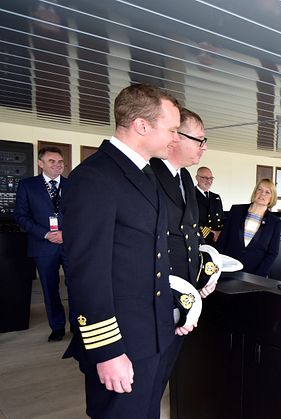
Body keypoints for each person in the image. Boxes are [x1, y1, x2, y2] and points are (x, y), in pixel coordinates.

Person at [62, 83, 190, 419]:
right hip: (122, 341)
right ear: (142, 126)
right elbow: (87, 275)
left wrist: (175, 311)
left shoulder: (144, 174)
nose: (175, 138)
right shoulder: (95, 178)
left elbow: (150, 257)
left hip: (155, 334)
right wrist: (106, 351)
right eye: (173, 130)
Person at [148, 108, 217, 415]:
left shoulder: (185, 177)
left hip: (183, 296)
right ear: (175, 137)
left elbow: (188, 234)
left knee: (162, 376)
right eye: (199, 139)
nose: (203, 147)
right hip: (158, 294)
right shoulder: (149, 174)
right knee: (146, 381)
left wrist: (201, 276)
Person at [15, 146, 70, 342]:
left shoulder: (72, 185)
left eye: (60, 162)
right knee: (49, 287)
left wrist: (67, 233)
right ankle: (57, 327)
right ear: (41, 163)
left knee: (75, 286)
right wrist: (46, 234)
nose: (57, 165)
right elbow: (21, 216)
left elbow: (81, 214)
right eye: (52, 161)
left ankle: (79, 327)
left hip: (69, 244)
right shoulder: (27, 185)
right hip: (43, 245)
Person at [217, 178, 281, 277]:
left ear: (272, 198)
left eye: (267, 192)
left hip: (255, 275)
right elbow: (222, 240)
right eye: (259, 190)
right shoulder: (236, 210)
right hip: (228, 270)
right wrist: (219, 266)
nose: (262, 194)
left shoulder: (274, 222)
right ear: (255, 192)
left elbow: (272, 253)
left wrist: (258, 276)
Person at [195, 166, 224, 245]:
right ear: (197, 178)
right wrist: (210, 233)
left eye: (211, 178)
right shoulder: (191, 195)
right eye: (205, 178)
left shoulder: (216, 197)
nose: (209, 180)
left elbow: (222, 217)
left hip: (216, 240)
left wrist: (220, 232)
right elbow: (190, 219)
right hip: (199, 239)